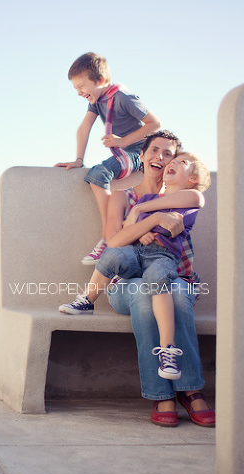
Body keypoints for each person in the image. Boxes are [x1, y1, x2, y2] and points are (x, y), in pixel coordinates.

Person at [68, 130, 215, 428]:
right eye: (154, 151)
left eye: (168, 154)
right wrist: (151, 220)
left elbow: (174, 229)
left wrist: (148, 217)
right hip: (126, 283)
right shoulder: (124, 196)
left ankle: (185, 387)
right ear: (143, 156)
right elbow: (114, 242)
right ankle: (166, 392)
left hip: (175, 278)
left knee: (168, 287)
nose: (160, 158)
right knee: (141, 289)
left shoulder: (179, 198)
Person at [55, 52, 161, 265]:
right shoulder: (97, 99)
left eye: (81, 87)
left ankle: (108, 235)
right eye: (75, 88)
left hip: (141, 152)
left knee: (99, 173)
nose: (78, 93)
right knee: (96, 173)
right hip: (126, 150)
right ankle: (111, 230)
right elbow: (84, 128)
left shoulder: (123, 97)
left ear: (101, 81)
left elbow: (155, 124)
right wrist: (78, 159)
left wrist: (123, 141)